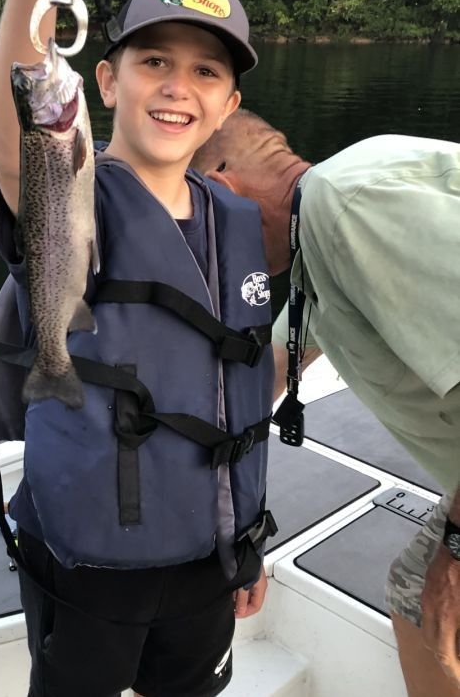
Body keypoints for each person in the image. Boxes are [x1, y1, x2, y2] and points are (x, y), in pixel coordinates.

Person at [0, 0, 279, 696]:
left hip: (206, 568)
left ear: (229, 103)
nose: (177, 86)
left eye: (204, 72)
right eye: (152, 62)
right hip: (92, 572)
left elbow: (240, 381)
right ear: (105, 81)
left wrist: (247, 545)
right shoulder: (70, 185)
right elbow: (21, 118)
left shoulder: (233, 220)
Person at [191, 108, 460, 696]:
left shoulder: (348, 207)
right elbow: (266, 377)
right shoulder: (320, 230)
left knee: (438, 596)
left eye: (194, 228)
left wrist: (459, 555)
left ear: (220, 190)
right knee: (416, 591)